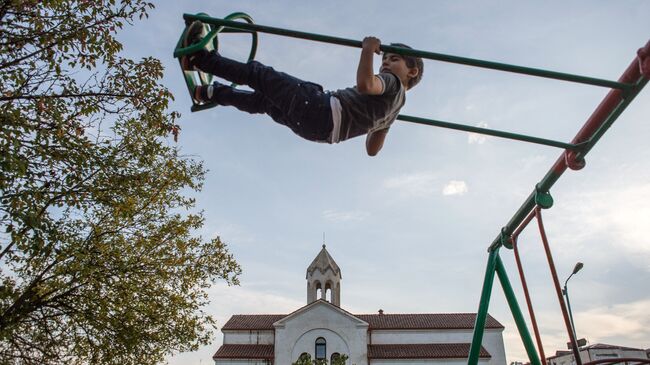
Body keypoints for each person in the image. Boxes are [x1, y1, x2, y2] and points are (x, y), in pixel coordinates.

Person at [181, 20, 423, 156]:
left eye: (394, 60)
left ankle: (200, 59)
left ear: (411, 72)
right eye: (385, 59)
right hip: (317, 132)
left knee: (260, 76)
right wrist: (377, 121)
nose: (386, 64)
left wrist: (368, 49)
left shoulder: (391, 83)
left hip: (320, 108)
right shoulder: (393, 112)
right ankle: (209, 93)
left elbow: (365, 84)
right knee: (265, 102)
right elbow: (372, 150)